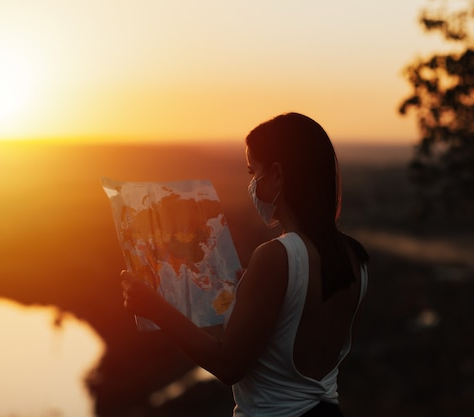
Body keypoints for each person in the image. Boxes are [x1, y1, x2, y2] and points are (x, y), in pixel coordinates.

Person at [120, 112, 369, 416]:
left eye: (254, 172)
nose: (251, 183)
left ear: (277, 175)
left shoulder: (277, 256)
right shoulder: (355, 257)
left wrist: (154, 307)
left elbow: (228, 365)